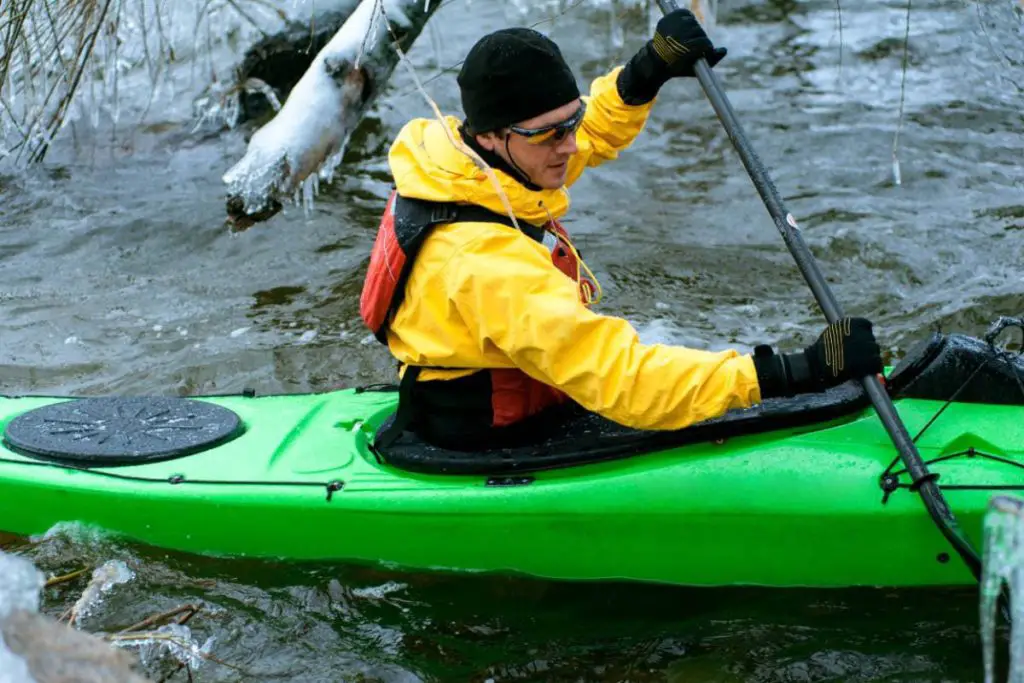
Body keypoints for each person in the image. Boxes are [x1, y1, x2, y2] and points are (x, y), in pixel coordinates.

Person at [359, 9, 883, 451]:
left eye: (572, 121)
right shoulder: (482, 261)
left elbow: (582, 136)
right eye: (549, 135)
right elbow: (622, 379)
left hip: (470, 380)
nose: (569, 144)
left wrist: (645, 72)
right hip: (492, 435)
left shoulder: (464, 169)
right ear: (495, 135)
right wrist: (793, 372)